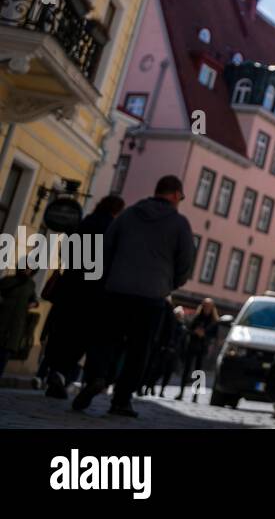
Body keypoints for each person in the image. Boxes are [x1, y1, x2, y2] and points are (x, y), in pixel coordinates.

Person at [72, 176, 195, 417]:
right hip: (152, 295)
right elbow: (186, 261)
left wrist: (109, 278)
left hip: (117, 289)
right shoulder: (180, 224)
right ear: (174, 195)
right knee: (139, 349)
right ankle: (121, 399)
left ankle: (96, 377)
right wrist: (170, 284)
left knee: (105, 339)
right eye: (180, 197)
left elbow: (106, 247)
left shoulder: (128, 215)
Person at [43, 195, 125, 398]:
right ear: (117, 211)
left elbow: (65, 252)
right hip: (94, 292)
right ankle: (80, 377)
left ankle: (57, 373)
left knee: (61, 332)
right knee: (82, 336)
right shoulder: (113, 229)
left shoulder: (82, 223)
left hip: (70, 287)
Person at [176, 297, 219, 401]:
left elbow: (214, 335)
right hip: (193, 345)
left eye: (209, 306)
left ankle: (195, 396)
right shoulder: (197, 317)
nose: (207, 308)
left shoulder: (214, 321)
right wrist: (195, 332)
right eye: (205, 306)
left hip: (202, 347)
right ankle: (181, 392)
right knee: (187, 369)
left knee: (199, 372)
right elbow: (188, 329)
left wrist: (205, 335)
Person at [0, 268, 38, 380]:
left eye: (30, 269)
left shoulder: (30, 284)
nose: (27, 270)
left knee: (4, 355)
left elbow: (33, 299)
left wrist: (33, 303)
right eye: (25, 267)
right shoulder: (8, 280)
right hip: (2, 319)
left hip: (16, 325)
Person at [141, 301, 185, 396]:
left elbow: (182, 341)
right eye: (177, 314)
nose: (178, 316)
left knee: (167, 372)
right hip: (165, 349)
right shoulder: (170, 322)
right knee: (158, 370)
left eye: (180, 315)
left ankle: (160, 390)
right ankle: (149, 386)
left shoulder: (182, 327)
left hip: (174, 352)